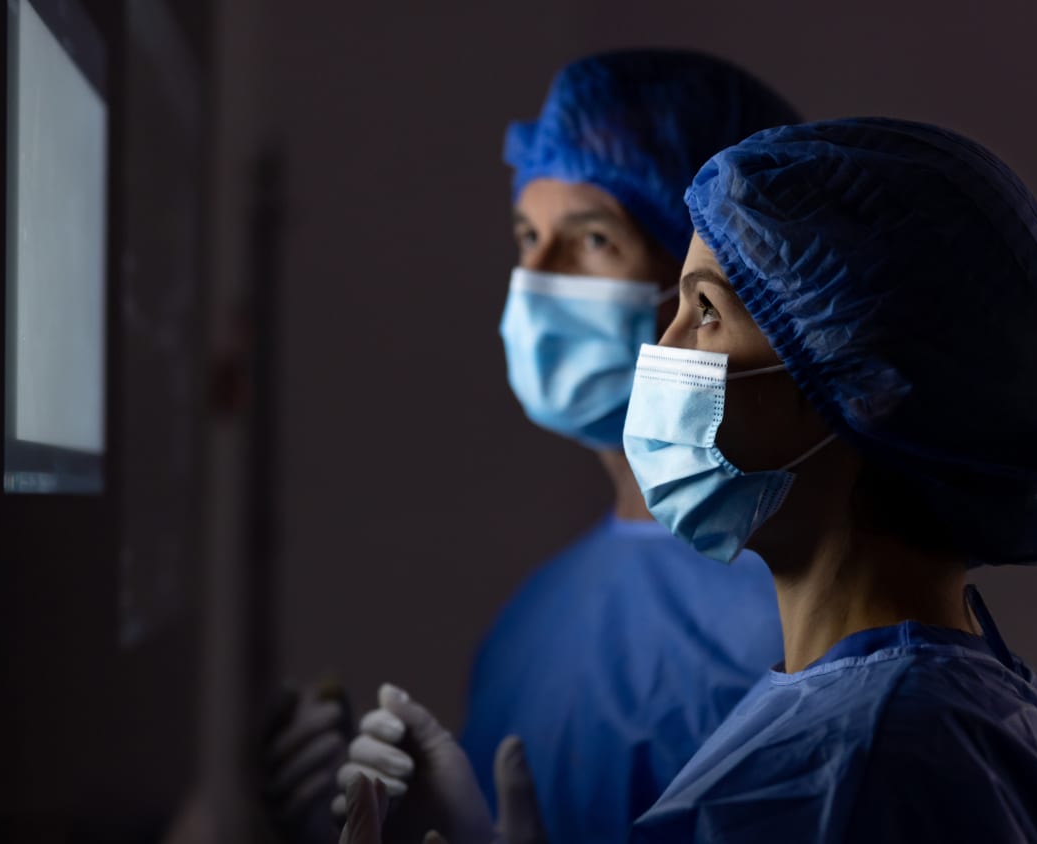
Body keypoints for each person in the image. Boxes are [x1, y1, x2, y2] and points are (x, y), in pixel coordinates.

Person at [336, 117, 1037, 844]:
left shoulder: (868, 759)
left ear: (861, 385)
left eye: (704, 311)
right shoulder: (950, 708)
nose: (661, 350)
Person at [270, 49, 802, 844]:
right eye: (528, 234)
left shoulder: (800, 617)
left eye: (591, 240)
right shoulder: (532, 619)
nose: (536, 279)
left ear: (712, 273)